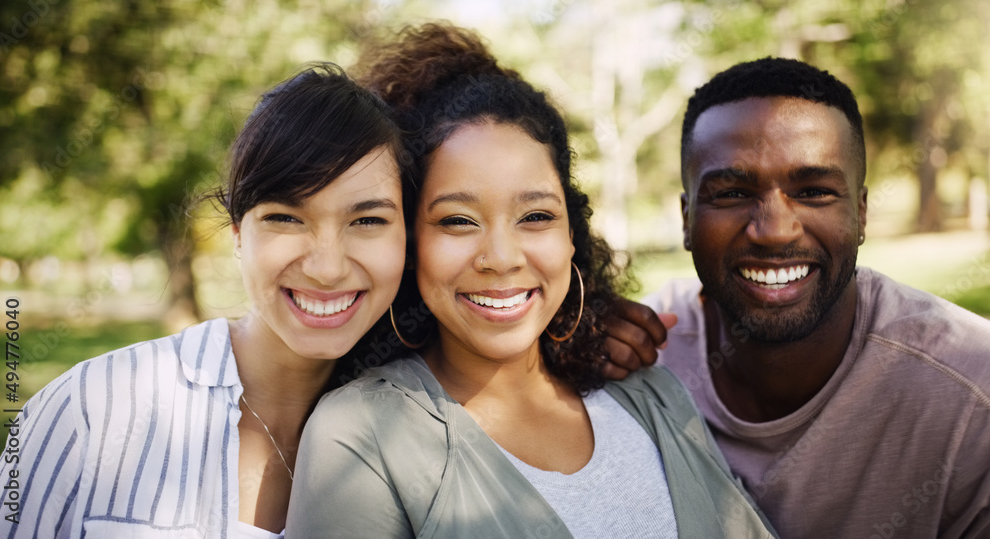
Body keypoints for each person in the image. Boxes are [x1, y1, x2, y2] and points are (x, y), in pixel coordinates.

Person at [286, 24, 776, 538]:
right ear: (411, 246)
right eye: (457, 220)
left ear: (572, 234)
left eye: (536, 216)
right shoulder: (361, 435)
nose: (501, 258)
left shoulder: (648, 392)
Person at [0, 64, 409, 538]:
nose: (327, 267)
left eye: (368, 221)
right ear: (237, 235)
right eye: (286, 218)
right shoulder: (92, 410)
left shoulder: (419, 438)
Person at [634, 57, 990, 538]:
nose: (774, 231)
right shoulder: (633, 357)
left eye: (815, 191)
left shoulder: (971, 391)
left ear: (861, 214)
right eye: (733, 193)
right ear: (686, 219)